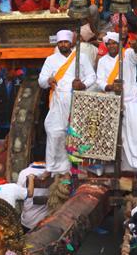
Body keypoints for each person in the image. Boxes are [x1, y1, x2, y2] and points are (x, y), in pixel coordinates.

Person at [95, 32, 137, 182]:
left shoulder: (127, 54)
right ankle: (114, 168)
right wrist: (109, 87)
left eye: (114, 43)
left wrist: (135, 47)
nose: (112, 46)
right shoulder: (102, 61)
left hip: (130, 101)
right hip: (111, 102)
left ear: (119, 44)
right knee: (110, 137)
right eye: (109, 44)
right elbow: (99, 81)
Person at [37, 30, 95, 177]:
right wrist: (48, 80)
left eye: (66, 42)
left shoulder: (81, 57)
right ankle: (52, 167)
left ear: (71, 43)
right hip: (58, 100)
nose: (63, 44)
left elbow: (92, 76)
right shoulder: (51, 59)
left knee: (77, 135)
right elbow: (41, 80)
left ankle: (77, 169)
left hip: (77, 100)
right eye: (61, 42)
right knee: (54, 132)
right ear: (58, 43)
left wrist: (82, 85)